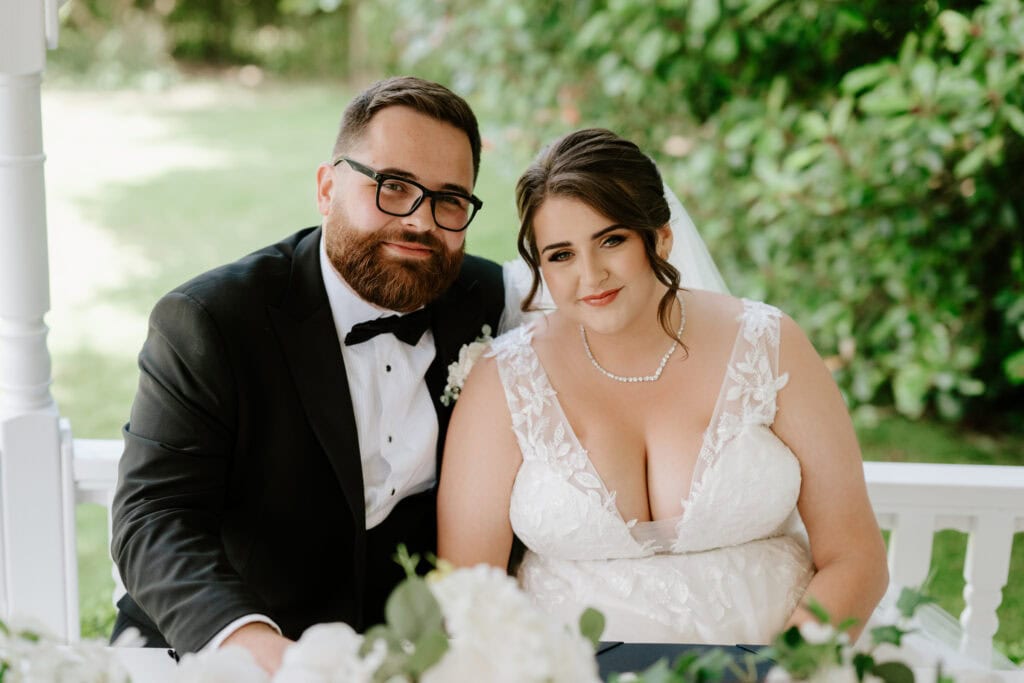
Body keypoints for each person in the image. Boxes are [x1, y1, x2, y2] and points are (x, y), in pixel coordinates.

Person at [110, 76, 505, 674]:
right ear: (327, 188)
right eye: (393, 186)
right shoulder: (210, 321)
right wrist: (260, 650)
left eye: (449, 199)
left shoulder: (489, 300)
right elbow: (153, 517)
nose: (421, 222)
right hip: (219, 653)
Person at [437, 128, 889, 645]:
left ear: (662, 236)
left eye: (612, 240)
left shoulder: (769, 344)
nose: (591, 275)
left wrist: (785, 674)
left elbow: (856, 558)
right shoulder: (505, 380)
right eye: (561, 255)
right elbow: (470, 591)